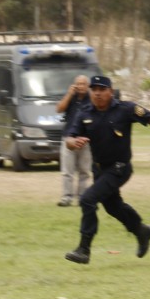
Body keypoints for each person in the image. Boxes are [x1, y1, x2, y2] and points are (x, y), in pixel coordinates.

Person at [62, 74, 150, 264]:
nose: (97, 94)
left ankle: (84, 249)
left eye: (102, 90)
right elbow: (69, 139)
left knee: (88, 200)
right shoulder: (84, 113)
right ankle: (142, 231)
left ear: (110, 91)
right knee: (113, 207)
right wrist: (74, 142)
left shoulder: (126, 109)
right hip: (100, 169)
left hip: (120, 168)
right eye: (94, 90)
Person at [55, 75, 93, 206]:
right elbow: (59, 109)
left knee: (84, 171)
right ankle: (67, 197)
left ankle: (82, 197)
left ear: (88, 86)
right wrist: (69, 94)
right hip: (69, 139)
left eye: (83, 84)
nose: (81, 86)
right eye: (78, 84)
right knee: (67, 171)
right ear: (74, 85)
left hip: (86, 140)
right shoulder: (71, 98)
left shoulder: (92, 99)